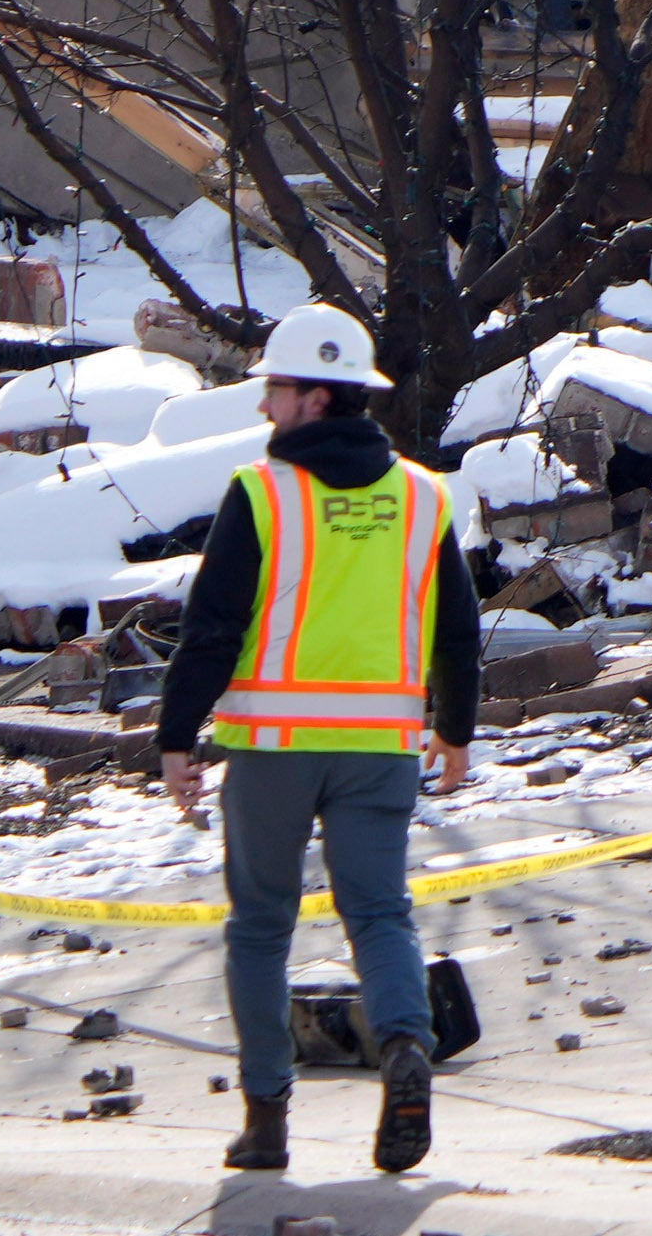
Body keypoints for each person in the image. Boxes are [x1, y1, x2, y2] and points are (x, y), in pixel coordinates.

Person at [154, 304, 480, 1179]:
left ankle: (266, 1123)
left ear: (309, 398)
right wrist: (454, 728)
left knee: (260, 930)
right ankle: (406, 1043)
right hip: (380, 748)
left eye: (273, 388)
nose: (264, 407)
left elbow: (211, 629)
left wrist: (175, 737)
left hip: (272, 750)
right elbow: (457, 628)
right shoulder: (421, 493)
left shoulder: (262, 491)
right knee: (380, 913)